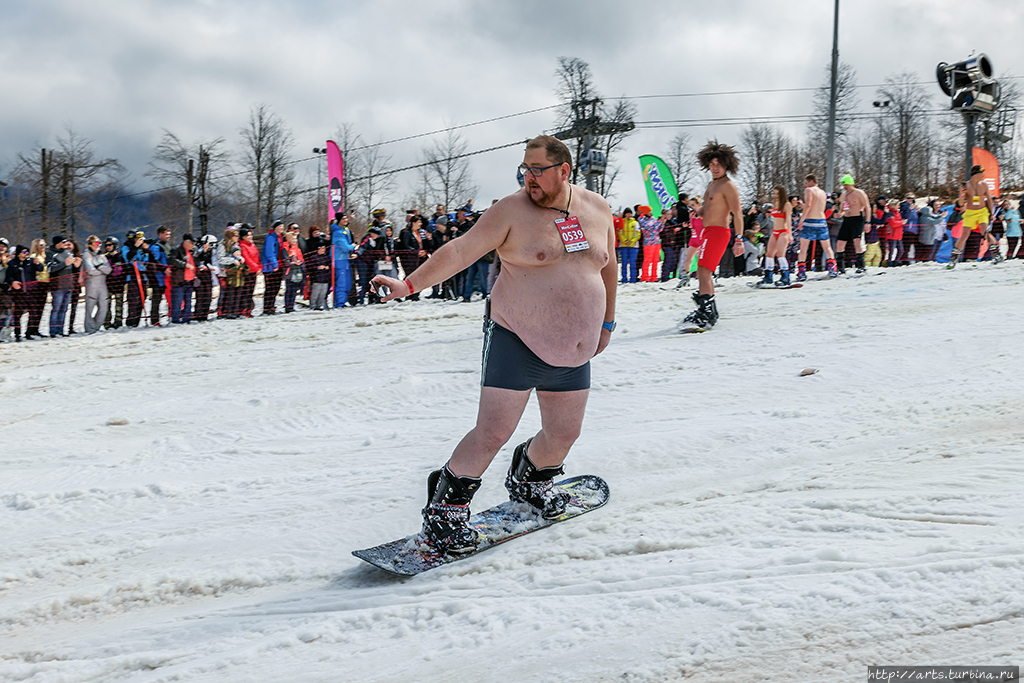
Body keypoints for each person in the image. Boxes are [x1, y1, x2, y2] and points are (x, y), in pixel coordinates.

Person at [369, 135, 617, 555]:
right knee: (493, 431)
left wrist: (607, 322)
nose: (529, 177)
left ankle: (532, 480)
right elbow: (461, 250)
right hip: (516, 338)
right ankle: (446, 509)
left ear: (564, 170)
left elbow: (607, 267)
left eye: (537, 169)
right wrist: (407, 285)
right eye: (525, 168)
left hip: (575, 349)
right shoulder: (510, 210)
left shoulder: (597, 209)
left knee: (563, 432)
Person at [681, 141, 743, 329]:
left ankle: (706, 312)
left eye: (719, 164)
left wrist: (739, 239)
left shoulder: (727, 186)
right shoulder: (712, 185)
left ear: (727, 165)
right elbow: (707, 208)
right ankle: (708, 310)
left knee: (703, 270)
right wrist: (698, 211)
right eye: (712, 164)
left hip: (718, 232)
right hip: (708, 232)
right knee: (702, 270)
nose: (715, 168)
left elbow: (737, 213)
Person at [949, 165, 999, 268]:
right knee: (964, 236)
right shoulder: (966, 185)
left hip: (982, 212)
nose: (983, 175)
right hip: (970, 213)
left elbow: (989, 199)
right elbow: (961, 204)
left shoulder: (984, 185)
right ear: (977, 173)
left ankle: (997, 255)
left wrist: (992, 213)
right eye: (982, 173)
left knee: (985, 232)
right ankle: (953, 258)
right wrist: (962, 194)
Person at [795, 174, 837, 281]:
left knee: (804, 248)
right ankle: (832, 268)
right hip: (821, 221)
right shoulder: (822, 193)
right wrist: (803, 205)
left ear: (811, 181)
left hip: (810, 221)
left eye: (806, 182)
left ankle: (801, 272)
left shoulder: (809, 190)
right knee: (827, 247)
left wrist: (802, 219)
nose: (805, 185)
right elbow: (816, 207)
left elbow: (809, 205)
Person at [4, 244, 43, 341]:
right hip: (19, 292)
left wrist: (38, 264)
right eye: (24, 252)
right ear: (18, 253)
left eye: (27, 252)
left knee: (33, 313)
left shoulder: (31, 261)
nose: (26, 254)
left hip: (32, 291)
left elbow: (40, 269)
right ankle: (17, 334)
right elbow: (8, 276)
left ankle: (28, 333)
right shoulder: (12, 263)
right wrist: (12, 282)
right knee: (18, 314)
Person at [834, 174, 870, 273]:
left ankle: (861, 266)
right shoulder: (843, 195)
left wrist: (868, 221)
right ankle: (840, 267)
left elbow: (867, 207)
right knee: (840, 243)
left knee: (856, 241)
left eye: (847, 185)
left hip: (857, 219)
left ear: (851, 184)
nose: (845, 187)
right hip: (846, 220)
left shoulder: (859, 193)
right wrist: (839, 214)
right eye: (844, 185)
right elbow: (842, 209)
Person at [760, 185, 793, 286]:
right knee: (769, 254)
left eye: (777, 194)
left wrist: (790, 234)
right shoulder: (776, 204)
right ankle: (768, 276)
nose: (776, 196)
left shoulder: (786, 204)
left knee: (780, 254)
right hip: (775, 232)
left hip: (783, 231)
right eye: (774, 193)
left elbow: (788, 220)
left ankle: (785, 277)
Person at [47, 236, 80, 337]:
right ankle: (53, 331)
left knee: (64, 309)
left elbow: (73, 270)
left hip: (68, 285)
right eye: (64, 242)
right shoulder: (50, 253)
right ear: (58, 243)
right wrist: (64, 263)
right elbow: (50, 268)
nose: (66, 244)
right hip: (57, 285)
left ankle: (60, 330)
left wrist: (77, 265)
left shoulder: (68, 253)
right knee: (56, 309)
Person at [82, 235, 112, 334]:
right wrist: (101, 269)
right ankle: (89, 328)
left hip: (102, 284)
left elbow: (109, 269)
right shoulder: (87, 254)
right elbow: (90, 271)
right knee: (90, 306)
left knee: (104, 306)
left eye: (99, 243)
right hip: (91, 284)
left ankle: (97, 326)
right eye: (95, 243)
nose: (97, 246)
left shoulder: (102, 255)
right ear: (90, 244)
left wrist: (99, 267)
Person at [121, 230, 149, 327]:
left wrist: (146, 250)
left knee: (142, 297)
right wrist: (135, 247)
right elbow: (127, 257)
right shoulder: (126, 247)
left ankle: (136, 321)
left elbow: (147, 260)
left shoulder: (142, 247)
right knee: (133, 299)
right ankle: (131, 321)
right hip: (132, 275)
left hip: (142, 275)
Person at [168, 234, 197, 323]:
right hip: (179, 281)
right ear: (186, 242)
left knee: (188, 302)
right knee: (177, 302)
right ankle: (175, 319)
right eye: (192, 243)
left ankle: (187, 318)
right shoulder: (177, 250)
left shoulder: (192, 252)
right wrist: (185, 265)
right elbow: (172, 260)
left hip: (190, 280)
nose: (193, 245)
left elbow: (197, 262)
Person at [329, 213, 355, 307]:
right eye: (343, 219)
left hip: (345, 260)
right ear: (339, 220)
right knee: (341, 283)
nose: (346, 220)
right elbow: (345, 247)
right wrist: (353, 247)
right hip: (339, 260)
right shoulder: (338, 232)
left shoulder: (345, 230)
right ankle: (339, 303)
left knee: (348, 283)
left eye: (346, 218)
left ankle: (343, 301)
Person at [218, 227, 244, 318]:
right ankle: (222, 312)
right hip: (224, 273)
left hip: (234, 274)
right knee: (225, 294)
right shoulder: (222, 245)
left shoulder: (236, 245)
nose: (238, 237)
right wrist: (232, 261)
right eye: (236, 235)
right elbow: (220, 259)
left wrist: (240, 259)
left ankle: (234, 311)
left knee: (234, 294)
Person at [148, 227, 171, 326]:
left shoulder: (166, 245)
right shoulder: (156, 246)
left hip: (167, 276)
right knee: (156, 299)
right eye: (166, 234)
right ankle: (154, 320)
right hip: (159, 277)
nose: (168, 236)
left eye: (169, 234)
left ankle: (170, 316)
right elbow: (154, 261)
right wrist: (164, 269)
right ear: (160, 234)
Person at [262, 220, 285, 314]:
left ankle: (272, 306)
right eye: (280, 226)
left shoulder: (279, 237)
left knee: (276, 287)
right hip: (270, 267)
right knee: (270, 288)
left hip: (279, 265)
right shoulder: (270, 237)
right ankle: (267, 308)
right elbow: (269, 252)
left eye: (283, 227)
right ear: (275, 228)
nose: (282, 228)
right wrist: (274, 264)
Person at [193, 234, 217, 322]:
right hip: (200, 276)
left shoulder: (211, 252)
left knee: (208, 296)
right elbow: (196, 260)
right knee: (200, 296)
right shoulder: (197, 251)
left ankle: (205, 314)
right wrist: (204, 251)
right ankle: (198, 314)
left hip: (208, 276)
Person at [636, 206, 664, 282]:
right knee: (647, 260)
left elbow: (659, 229)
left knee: (656, 260)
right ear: (645, 212)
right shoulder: (641, 219)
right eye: (649, 211)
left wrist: (662, 223)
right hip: (648, 243)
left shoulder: (653, 219)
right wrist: (659, 221)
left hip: (657, 242)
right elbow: (651, 228)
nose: (651, 213)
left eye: (651, 211)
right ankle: (645, 277)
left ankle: (654, 277)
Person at [102, 237, 125, 329]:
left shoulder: (120, 256)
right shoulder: (104, 257)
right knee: (107, 306)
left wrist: (123, 281)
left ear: (115, 245)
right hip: (107, 285)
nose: (108, 247)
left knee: (119, 306)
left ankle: (118, 322)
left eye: (110, 245)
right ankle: (107, 323)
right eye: (106, 245)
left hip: (118, 284)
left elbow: (124, 270)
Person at [281, 231, 305, 313]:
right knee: (289, 289)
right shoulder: (285, 248)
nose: (294, 240)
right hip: (289, 272)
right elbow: (285, 261)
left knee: (294, 289)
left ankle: (292, 305)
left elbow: (301, 258)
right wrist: (292, 264)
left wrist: (300, 263)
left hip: (297, 271)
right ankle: (287, 306)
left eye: (295, 239)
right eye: (293, 239)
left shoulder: (297, 248)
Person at [616, 207, 640, 283]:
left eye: (630, 213)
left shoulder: (635, 222)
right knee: (624, 263)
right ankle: (624, 279)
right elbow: (620, 233)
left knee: (633, 263)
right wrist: (625, 241)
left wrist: (632, 241)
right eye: (628, 213)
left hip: (633, 246)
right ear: (625, 214)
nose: (629, 215)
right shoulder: (622, 222)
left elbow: (638, 234)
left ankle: (633, 279)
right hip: (624, 246)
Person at [306, 241, 332, 310]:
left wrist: (328, 267)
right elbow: (310, 266)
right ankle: (313, 305)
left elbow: (330, 264)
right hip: (316, 279)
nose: (324, 249)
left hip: (325, 278)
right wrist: (318, 267)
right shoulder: (313, 257)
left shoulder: (326, 257)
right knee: (315, 293)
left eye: (324, 248)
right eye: (322, 248)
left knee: (323, 293)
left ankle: (321, 305)